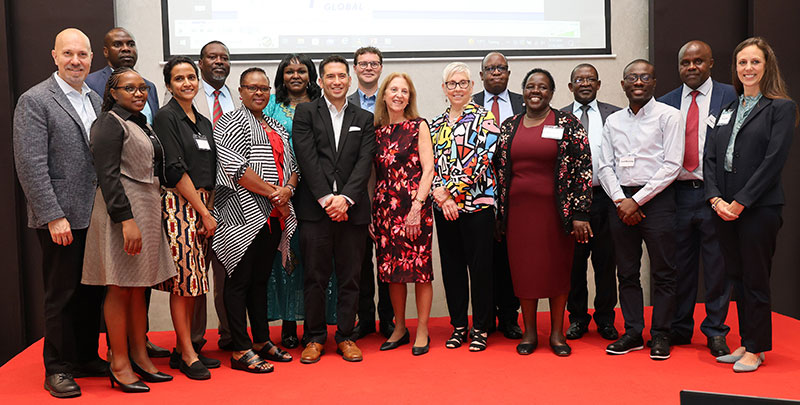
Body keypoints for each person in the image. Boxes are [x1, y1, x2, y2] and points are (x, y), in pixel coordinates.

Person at [13, 28, 106, 398]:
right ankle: (57, 367)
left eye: (82, 55)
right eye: (68, 53)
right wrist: (53, 214)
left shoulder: (95, 100)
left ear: (90, 59)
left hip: (95, 216)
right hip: (60, 217)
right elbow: (30, 164)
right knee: (61, 295)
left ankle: (85, 357)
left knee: (90, 293)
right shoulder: (35, 100)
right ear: (54, 56)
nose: (76, 61)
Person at [705, 37, 798, 372]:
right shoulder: (727, 109)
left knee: (756, 278)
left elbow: (773, 162)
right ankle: (746, 342)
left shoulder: (780, 108)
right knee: (737, 277)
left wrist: (741, 202)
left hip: (759, 209)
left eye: (754, 62)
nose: (748, 69)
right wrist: (715, 197)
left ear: (767, 66)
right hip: (723, 209)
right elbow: (710, 158)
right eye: (742, 63)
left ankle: (756, 349)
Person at [81, 67, 176, 393]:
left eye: (142, 88)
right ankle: (118, 362)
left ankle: (139, 356)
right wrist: (126, 220)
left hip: (147, 209)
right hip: (122, 213)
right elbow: (107, 175)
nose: (139, 93)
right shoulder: (109, 122)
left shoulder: (140, 123)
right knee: (120, 287)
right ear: (113, 92)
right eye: (129, 88)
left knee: (138, 287)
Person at [494, 68, 592, 356]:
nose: (536, 91)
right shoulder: (510, 125)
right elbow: (499, 170)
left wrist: (580, 212)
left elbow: (582, 169)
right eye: (531, 87)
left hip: (556, 214)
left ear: (552, 92)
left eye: (543, 87)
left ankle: (558, 334)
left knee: (557, 272)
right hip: (519, 215)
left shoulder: (567, 123)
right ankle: (529, 333)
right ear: (523, 91)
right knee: (525, 273)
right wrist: (499, 213)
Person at [597, 59, 683, 360]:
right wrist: (622, 200)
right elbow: (604, 165)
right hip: (621, 203)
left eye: (645, 77)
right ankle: (633, 332)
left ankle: (661, 334)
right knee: (627, 271)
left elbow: (673, 165)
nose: (638, 82)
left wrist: (638, 200)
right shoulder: (613, 122)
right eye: (632, 77)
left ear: (654, 82)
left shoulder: (669, 116)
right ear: (622, 84)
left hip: (657, 200)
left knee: (664, 272)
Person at [213, 67, 298, 373]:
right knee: (238, 282)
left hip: (274, 217)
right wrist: (275, 194)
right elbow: (235, 167)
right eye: (252, 88)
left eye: (264, 88)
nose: (259, 93)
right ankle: (239, 347)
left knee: (260, 282)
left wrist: (287, 189)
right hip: (242, 216)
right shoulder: (230, 121)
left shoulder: (276, 125)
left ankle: (261, 340)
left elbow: (293, 166)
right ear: (240, 91)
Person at [293, 55, 376, 364]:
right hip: (316, 211)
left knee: (350, 277)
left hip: (352, 212)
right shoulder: (305, 113)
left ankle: (344, 336)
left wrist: (346, 200)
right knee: (314, 277)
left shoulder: (363, 118)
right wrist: (328, 199)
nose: (337, 81)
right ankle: (314, 338)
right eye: (331, 76)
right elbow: (307, 159)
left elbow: (363, 164)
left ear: (349, 80)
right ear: (321, 81)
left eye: (342, 76)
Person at [657, 40, 737, 357]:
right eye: (686, 62)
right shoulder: (664, 103)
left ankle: (716, 331)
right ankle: (679, 327)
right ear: (678, 67)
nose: (692, 67)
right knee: (679, 267)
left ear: (711, 63)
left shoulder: (730, 96)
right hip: (675, 195)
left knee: (717, 268)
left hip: (713, 194)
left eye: (698, 61)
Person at [152, 56, 220, 380]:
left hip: (204, 205)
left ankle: (184, 350)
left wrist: (209, 209)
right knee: (184, 284)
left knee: (196, 283)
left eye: (191, 77)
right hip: (180, 207)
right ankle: (189, 352)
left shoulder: (203, 122)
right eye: (178, 78)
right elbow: (175, 170)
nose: (187, 83)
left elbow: (210, 169)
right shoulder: (166, 118)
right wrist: (204, 212)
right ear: (168, 85)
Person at [263, 53, 336, 349]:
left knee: (314, 261)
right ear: (281, 76)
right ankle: (289, 324)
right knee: (285, 260)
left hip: (316, 191)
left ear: (310, 75)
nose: (295, 76)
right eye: (289, 71)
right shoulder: (269, 106)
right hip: (278, 191)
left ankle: (313, 325)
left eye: (302, 71)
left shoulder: (321, 106)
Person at [431, 62, 498, 352]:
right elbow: (428, 165)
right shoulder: (434, 124)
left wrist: (451, 194)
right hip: (443, 208)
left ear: (472, 87)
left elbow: (482, 160)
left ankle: (481, 327)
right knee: (452, 268)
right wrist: (440, 195)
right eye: (452, 83)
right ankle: (459, 326)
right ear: (444, 89)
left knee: (481, 268)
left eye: (463, 83)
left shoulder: (486, 118)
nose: (457, 88)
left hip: (477, 206)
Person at [372, 72, 435, 355]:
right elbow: (372, 176)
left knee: (420, 271)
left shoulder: (418, 125)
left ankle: (422, 328)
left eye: (404, 91)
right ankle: (400, 327)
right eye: (393, 89)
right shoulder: (374, 130)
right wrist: (373, 213)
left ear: (410, 97)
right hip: (385, 209)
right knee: (392, 272)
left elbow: (429, 169)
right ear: (384, 94)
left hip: (414, 206)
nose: (399, 95)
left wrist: (417, 207)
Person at [560, 63, 621, 342]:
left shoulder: (615, 116)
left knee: (606, 263)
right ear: (570, 86)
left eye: (590, 79)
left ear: (598, 84)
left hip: (606, 199)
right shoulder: (558, 118)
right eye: (578, 80)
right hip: (572, 204)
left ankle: (606, 319)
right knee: (574, 264)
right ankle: (577, 318)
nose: (585, 84)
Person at [190, 40, 240, 354]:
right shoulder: (186, 97)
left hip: (233, 203)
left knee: (228, 275)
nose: (218, 62)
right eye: (212, 57)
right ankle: (193, 342)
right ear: (200, 62)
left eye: (224, 57)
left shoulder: (238, 99)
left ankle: (230, 334)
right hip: (196, 200)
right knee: (196, 276)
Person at [472, 51, 524, 340]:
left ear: (508, 73)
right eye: (489, 69)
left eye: (501, 68)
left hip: (516, 191)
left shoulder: (523, 102)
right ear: (481, 75)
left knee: (510, 257)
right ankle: (485, 318)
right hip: (476, 192)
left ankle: (509, 316)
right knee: (482, 257)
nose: (495, 73)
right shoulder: (468, 104)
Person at [347, 46, 395, 340]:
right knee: (359, 262)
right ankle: (364, 320)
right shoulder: (344, 102)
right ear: (355, 68)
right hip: (355, 192)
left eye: (373, 63)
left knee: (387, 261)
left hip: (388, 191)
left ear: (380, 67)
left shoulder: (393, 101)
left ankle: (389, 320)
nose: (368, 67)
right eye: (362, 63)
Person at [86, 28, 159, 126]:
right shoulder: (90, 83)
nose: (126, 49)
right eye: (117, 45)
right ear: (106, 52)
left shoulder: (149, 86)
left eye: (131, 44)